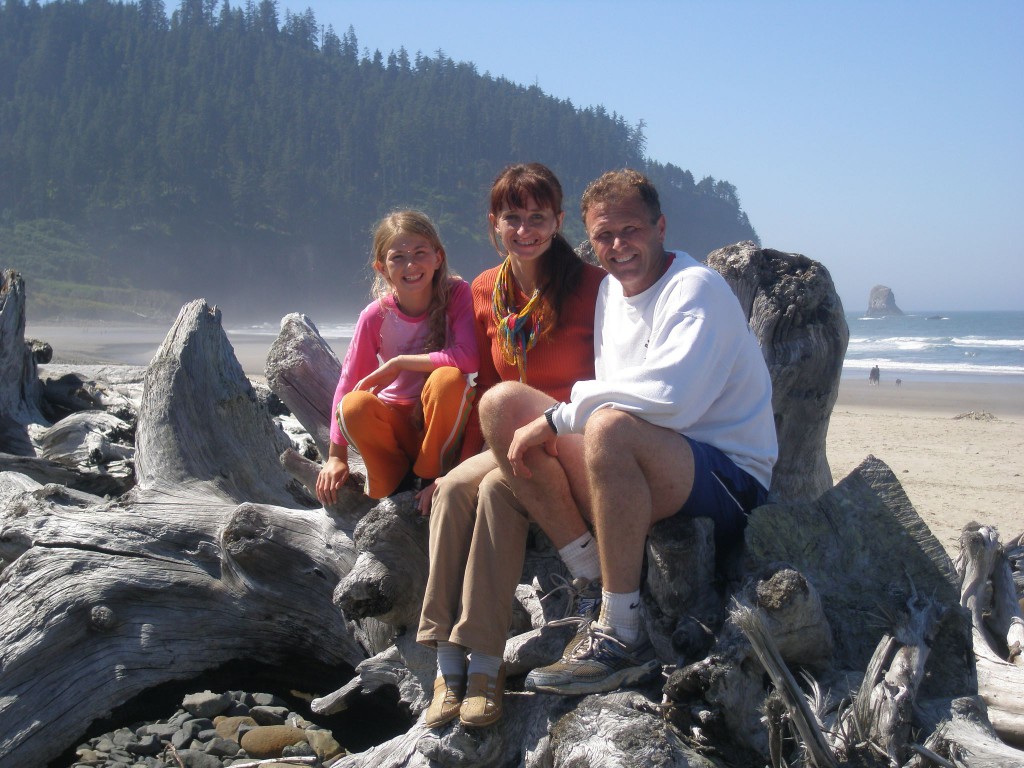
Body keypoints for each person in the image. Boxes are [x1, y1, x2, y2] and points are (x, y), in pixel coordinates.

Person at [481, 169, 778, 695]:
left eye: (630, 230)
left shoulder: (695, 289)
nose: (618, 246)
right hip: (648, 465)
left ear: (659, 227)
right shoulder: (610, 297)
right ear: (589, 240)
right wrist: (557, 421)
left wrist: (557, 420)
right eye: (603, 236)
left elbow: (672, 401)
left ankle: (623, 636)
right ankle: (592, 580)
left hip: (729, 481)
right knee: (501, 405)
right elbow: (611, 389)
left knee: (609, 427)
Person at [416, 163, 606, 728]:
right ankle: (445, 661)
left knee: (501, 487)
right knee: (452, 490)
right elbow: (489, 390)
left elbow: (609, 376)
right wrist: (451, 463)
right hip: (505, 431)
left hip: (566, 433)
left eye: (538, 218)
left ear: (558, 221)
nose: (525, 230)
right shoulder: (484, 291)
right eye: (513, 218)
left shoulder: (591, 287)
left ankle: (485, 665)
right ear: (494, 223)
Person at [316, 210, 478, 504]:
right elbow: (349, 382)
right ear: (381, 268)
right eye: (398, 257)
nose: (411, 264)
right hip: (397, 426)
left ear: (438, 257)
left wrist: (400, 363)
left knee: (448, 379)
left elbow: (468, 358)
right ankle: (395, 480)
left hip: (440, 427)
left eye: (419, 252)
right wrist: (335, 457)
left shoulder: (457, 294)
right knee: (354, 404)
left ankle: (430, 474)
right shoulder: (375, 316)